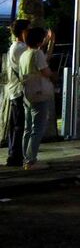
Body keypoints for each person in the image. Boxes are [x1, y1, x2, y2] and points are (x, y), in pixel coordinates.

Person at [19, 27, 55, 170]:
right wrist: (53, 75)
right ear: (39, 40)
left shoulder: (25, 54)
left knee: (28, 128)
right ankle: (30, 160)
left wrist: (50, 41)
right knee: (38, 128)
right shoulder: (37, 53)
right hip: (40, 94)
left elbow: (44, 58)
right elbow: (44, 69)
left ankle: (26, 159)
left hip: (27, 93)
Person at [4, 19, 30, 167]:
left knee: (15, 125)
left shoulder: (14, 46)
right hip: (19, 91)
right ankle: (15, 156)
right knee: (19, 125)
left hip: (13, 90)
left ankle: (13, 154)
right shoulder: (21, 48)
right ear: (23, 32)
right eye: (28, 29)